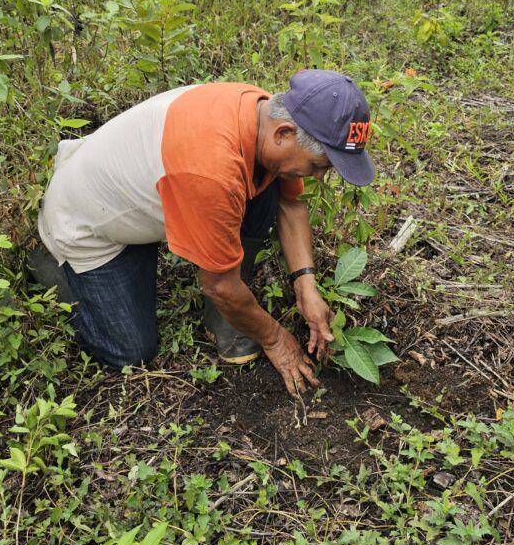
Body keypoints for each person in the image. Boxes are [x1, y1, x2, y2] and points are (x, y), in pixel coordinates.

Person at [34, 69, 375, 396]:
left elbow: (292, 204)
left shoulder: (263, 114)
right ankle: (51, 264)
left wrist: (306, 285)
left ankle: (226, 315)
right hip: (87, 226)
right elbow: (219, 285)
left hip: (141, 192)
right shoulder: (211, 170)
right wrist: (274, 338)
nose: (317, 176)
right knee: (131, 351)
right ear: (283, 134)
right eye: (317, 166)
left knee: (273, 183)